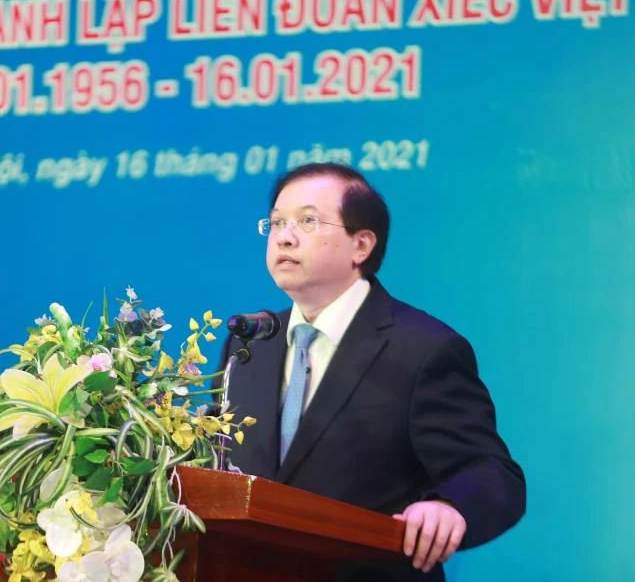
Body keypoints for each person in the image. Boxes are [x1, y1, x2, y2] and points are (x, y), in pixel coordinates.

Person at [220, 162, 525, 581]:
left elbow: (492, 472)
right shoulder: (251, 343)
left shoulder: (423, 349)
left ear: (361, 245)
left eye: (307, 221)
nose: (284, 237)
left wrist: (448, 506)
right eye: (276, 223)